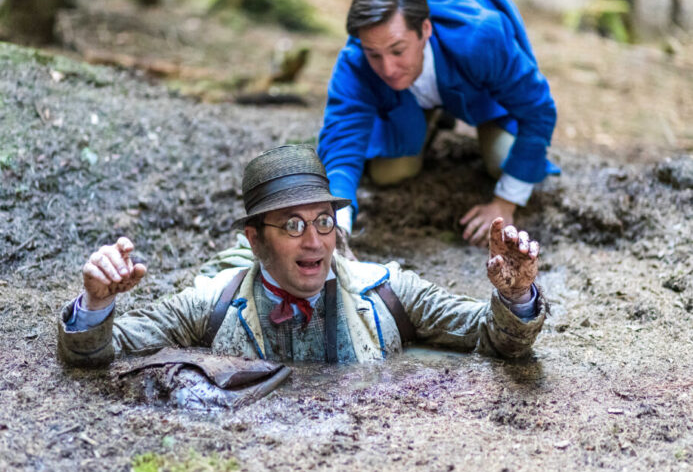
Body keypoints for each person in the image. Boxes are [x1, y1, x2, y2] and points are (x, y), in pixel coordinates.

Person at [58, 144, 547, 367]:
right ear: (254, 236)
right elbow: (102, 351)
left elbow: (496, 340)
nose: (314, 240)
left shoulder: (390, 292)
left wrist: (517, 295)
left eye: (323, 221)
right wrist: (96, 302)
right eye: (293, 225)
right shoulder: (207, 304)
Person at [317, 0, 559, 246]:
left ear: (426, 29)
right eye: (375, 55)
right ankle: (431, 121)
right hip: (409, 98)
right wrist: (335, 227)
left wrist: (505, 203)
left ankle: (456, 114)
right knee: (389, 171)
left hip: (480, 90)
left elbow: (539, 109)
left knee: (502, 162)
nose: (387, 69)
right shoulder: (356, 58)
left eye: (398, 51)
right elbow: (341, 142)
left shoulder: (480, 36)